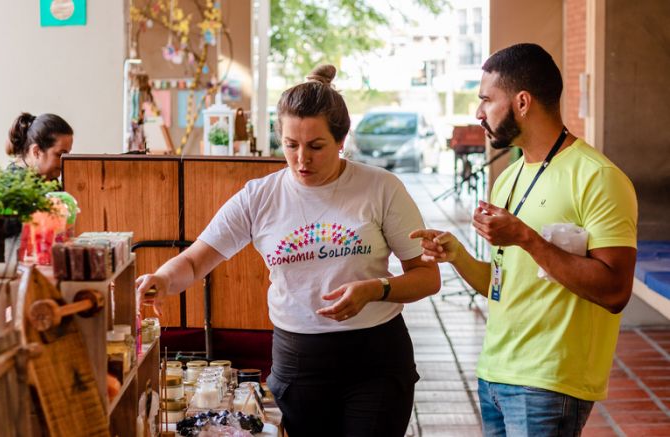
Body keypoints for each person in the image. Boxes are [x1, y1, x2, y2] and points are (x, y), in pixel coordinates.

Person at [137, 65, 441, 436]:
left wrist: (377, 289)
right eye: (290, 145)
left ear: (341, 140)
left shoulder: (381, 188)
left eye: (316, 146)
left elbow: (427, 277)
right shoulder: (259, 196)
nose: (301, 159)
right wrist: (164, 279)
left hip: (374, 359)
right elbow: (197, 258)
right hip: (299, 361)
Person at [411, 43, 637, 437]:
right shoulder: (510, 178)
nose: (478, 112)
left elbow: (616, 291)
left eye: (486, 100)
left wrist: (527, 238)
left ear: (522, 102)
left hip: (549, 381)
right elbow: (502, 286)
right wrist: (458, 254)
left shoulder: (597, 177)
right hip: (495, 373)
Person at [6, 112, 73, 181]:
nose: (65, 162)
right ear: (36, 152)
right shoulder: (15, 185)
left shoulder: (49, 179)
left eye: (67, 155)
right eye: (59, 154)